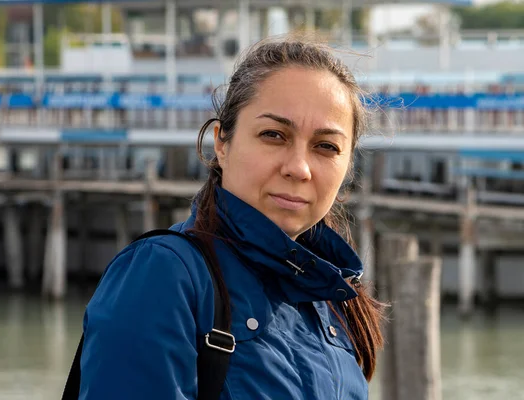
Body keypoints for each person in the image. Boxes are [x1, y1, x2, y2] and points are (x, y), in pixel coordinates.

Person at [78, 38, 386, 400]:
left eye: (326, 147)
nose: (299, 168)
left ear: (348, 165)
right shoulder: (164, 274)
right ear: (222, 143)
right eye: (274, 135)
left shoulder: (335, 302)